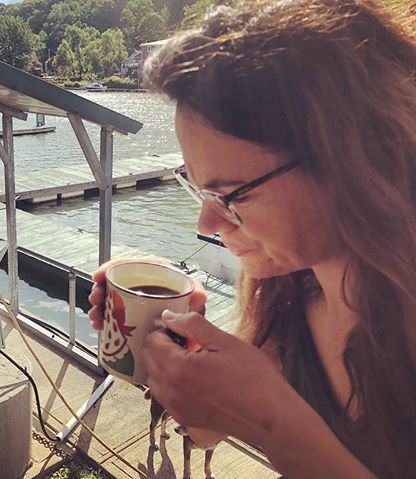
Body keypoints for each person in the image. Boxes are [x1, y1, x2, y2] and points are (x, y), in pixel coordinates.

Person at [88, 1, 416, 477]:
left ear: (351, 160)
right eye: (197, 186)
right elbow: (208, 428)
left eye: (230, 194)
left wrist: (273, 423)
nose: (205, 224)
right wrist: (188, 347)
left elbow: (258, 418)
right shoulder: (286, 294)